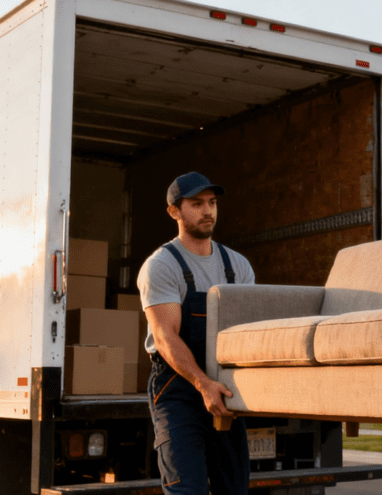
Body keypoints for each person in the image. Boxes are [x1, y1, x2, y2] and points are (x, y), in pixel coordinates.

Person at [138, 171, 256, 495]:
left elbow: (247, 334)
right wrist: (203, 384)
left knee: (234, 489)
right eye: (196, 204)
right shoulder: (162, 265)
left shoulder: (238, 266)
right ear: (174, 211)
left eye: (212, 203)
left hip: (226, 390)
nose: (208, 211)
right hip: (178, 389)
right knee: (186, 489)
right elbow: (165, 337)